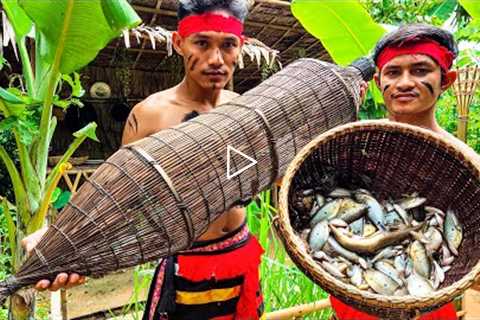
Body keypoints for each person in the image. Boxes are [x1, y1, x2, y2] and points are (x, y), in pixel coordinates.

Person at [23, 1, 265, 319]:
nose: (216, 59)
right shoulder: (150, 116)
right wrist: (61, 238)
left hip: (240, 254)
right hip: (186, 269)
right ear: (179, 43)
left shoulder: (243, 110)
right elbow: (118, 195)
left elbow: (257, 170)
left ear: (241, 47)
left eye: (228, 45)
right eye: (202, 43)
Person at [329, 23, 476, 320]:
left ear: (447, 79)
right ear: (377, 80)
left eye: (421, 71)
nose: (405, 82)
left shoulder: (466, 166)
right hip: (350, 307)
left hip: (426, 310)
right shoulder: (351, 147)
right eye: (393, 72)